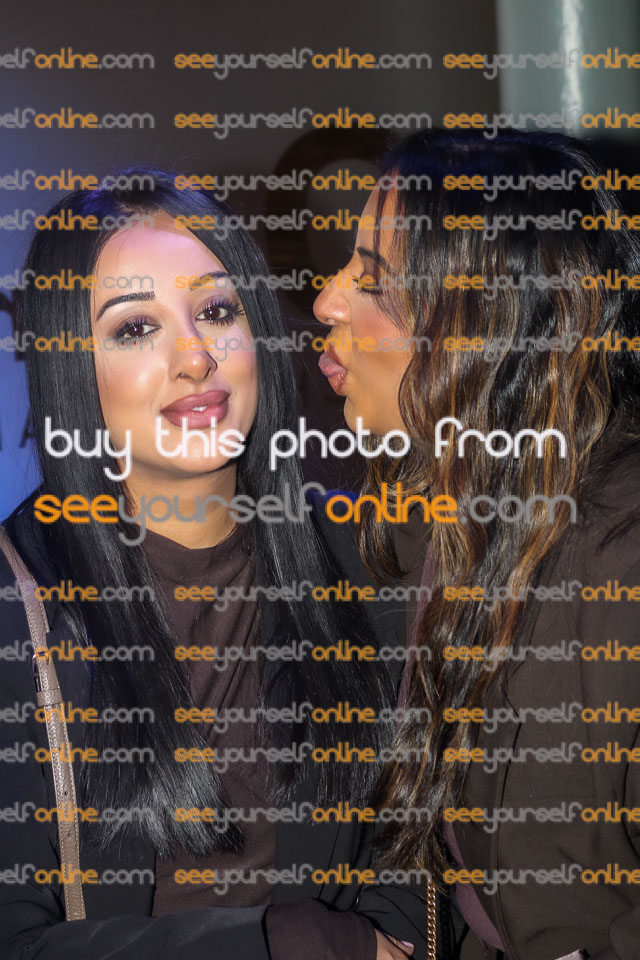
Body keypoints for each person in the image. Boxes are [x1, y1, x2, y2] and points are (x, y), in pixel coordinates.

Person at [0, 170, 432, 960]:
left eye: (216, 312)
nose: (196, 358)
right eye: (136, 328)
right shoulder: (18, 602)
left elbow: (418, 853)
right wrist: (290, 944)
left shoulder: (372, 559)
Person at [314, 128, 640, 960]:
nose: (326, 301)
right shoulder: (443, 516)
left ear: (488, 320)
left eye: (372, 279)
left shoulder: (620, 552)